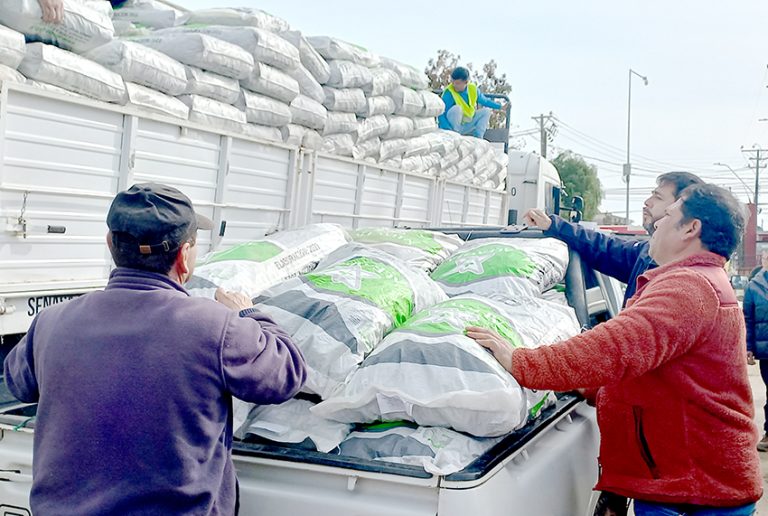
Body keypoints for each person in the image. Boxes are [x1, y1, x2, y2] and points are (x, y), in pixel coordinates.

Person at [4, 183, 307, 515]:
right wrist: (247, 312)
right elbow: (287, 373)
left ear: (110, 244)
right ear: (183, 256)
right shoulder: (218, 327)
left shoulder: (51, 322)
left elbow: (19, 384)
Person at [468, 183, 761, 515]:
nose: (656, 223)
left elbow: (613, 347)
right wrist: (592, 387)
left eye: (668, 215)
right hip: (690, 482)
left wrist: (522, 362)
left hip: (692, 492)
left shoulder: (689, 288)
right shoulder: (696, 281)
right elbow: (655, 368)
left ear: (691, 229)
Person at [524, 171, 703, 307]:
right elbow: (603, 247)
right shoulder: (646, 254)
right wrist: (553, 225)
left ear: (679, 207)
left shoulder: (686, 283)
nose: (647, 202)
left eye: (657, 197)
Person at [438, 66, 508, 138]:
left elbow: (485, 101)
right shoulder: (449, 92)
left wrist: (500, 107)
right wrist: (448, 129)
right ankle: (455, 137)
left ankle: (478, 138)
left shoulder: (473, 89)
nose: (454, 85)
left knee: (486, 112)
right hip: (451, 128)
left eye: (457, 83)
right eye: (453, 82)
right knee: (457, 109)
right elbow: (440, 113)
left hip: (466, 124)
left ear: (466, 82)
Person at [745, 249, 768, 451]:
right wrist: (749, 347)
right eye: (765, 257)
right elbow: (748, 319)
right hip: (766, 348)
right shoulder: (754, 286)